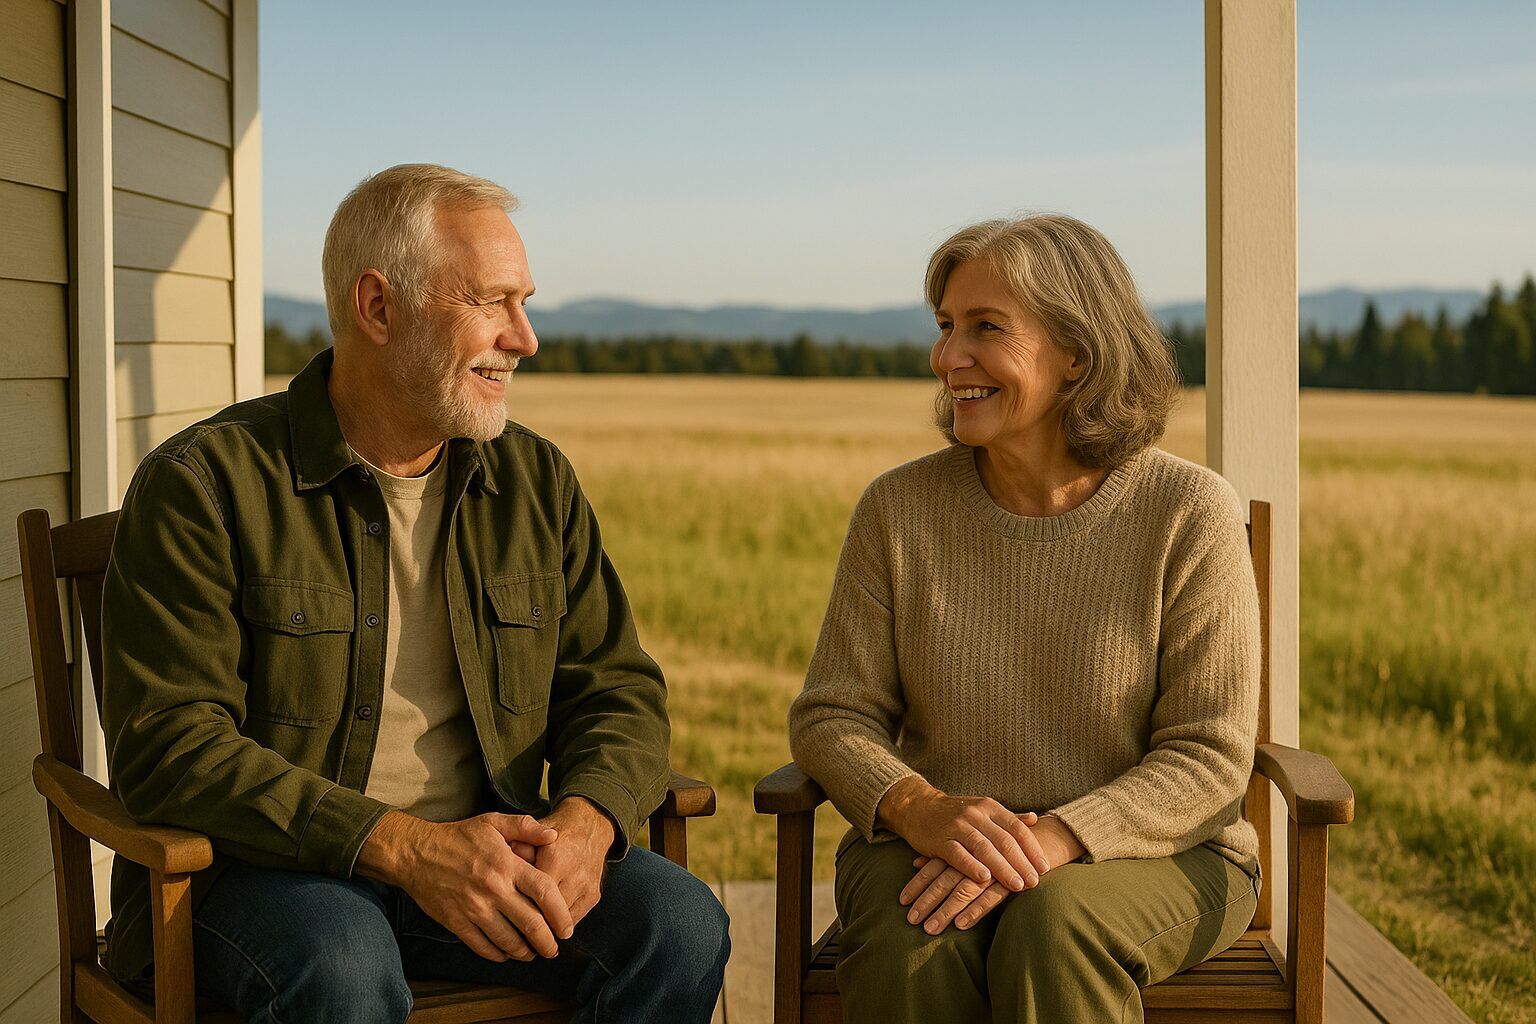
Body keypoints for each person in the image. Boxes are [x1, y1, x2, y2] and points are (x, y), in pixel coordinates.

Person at [101, 163, 729, 1024]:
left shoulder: (535, 480)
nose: (526, 338)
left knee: (680, 924)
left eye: (526, 302)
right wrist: (403, 847)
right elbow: (168, 744)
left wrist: (587, 825)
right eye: (492, 302)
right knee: (344, 961)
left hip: (489, 860)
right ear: (379, 307)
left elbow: (617, 687)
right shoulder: (203, 485)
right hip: (268, 878)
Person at [788, 214, 1262, 1023]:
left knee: (1055, 923)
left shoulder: (1188, 512)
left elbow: (1210, 755)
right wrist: (915, 806)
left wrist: (1055, 839)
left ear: (1077, 352)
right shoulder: (897, 510)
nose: (947, 358)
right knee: (914, 932)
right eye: (944, 327)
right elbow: (834, 714)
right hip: (930, 845)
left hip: (1156, 856)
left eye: (986, 328)